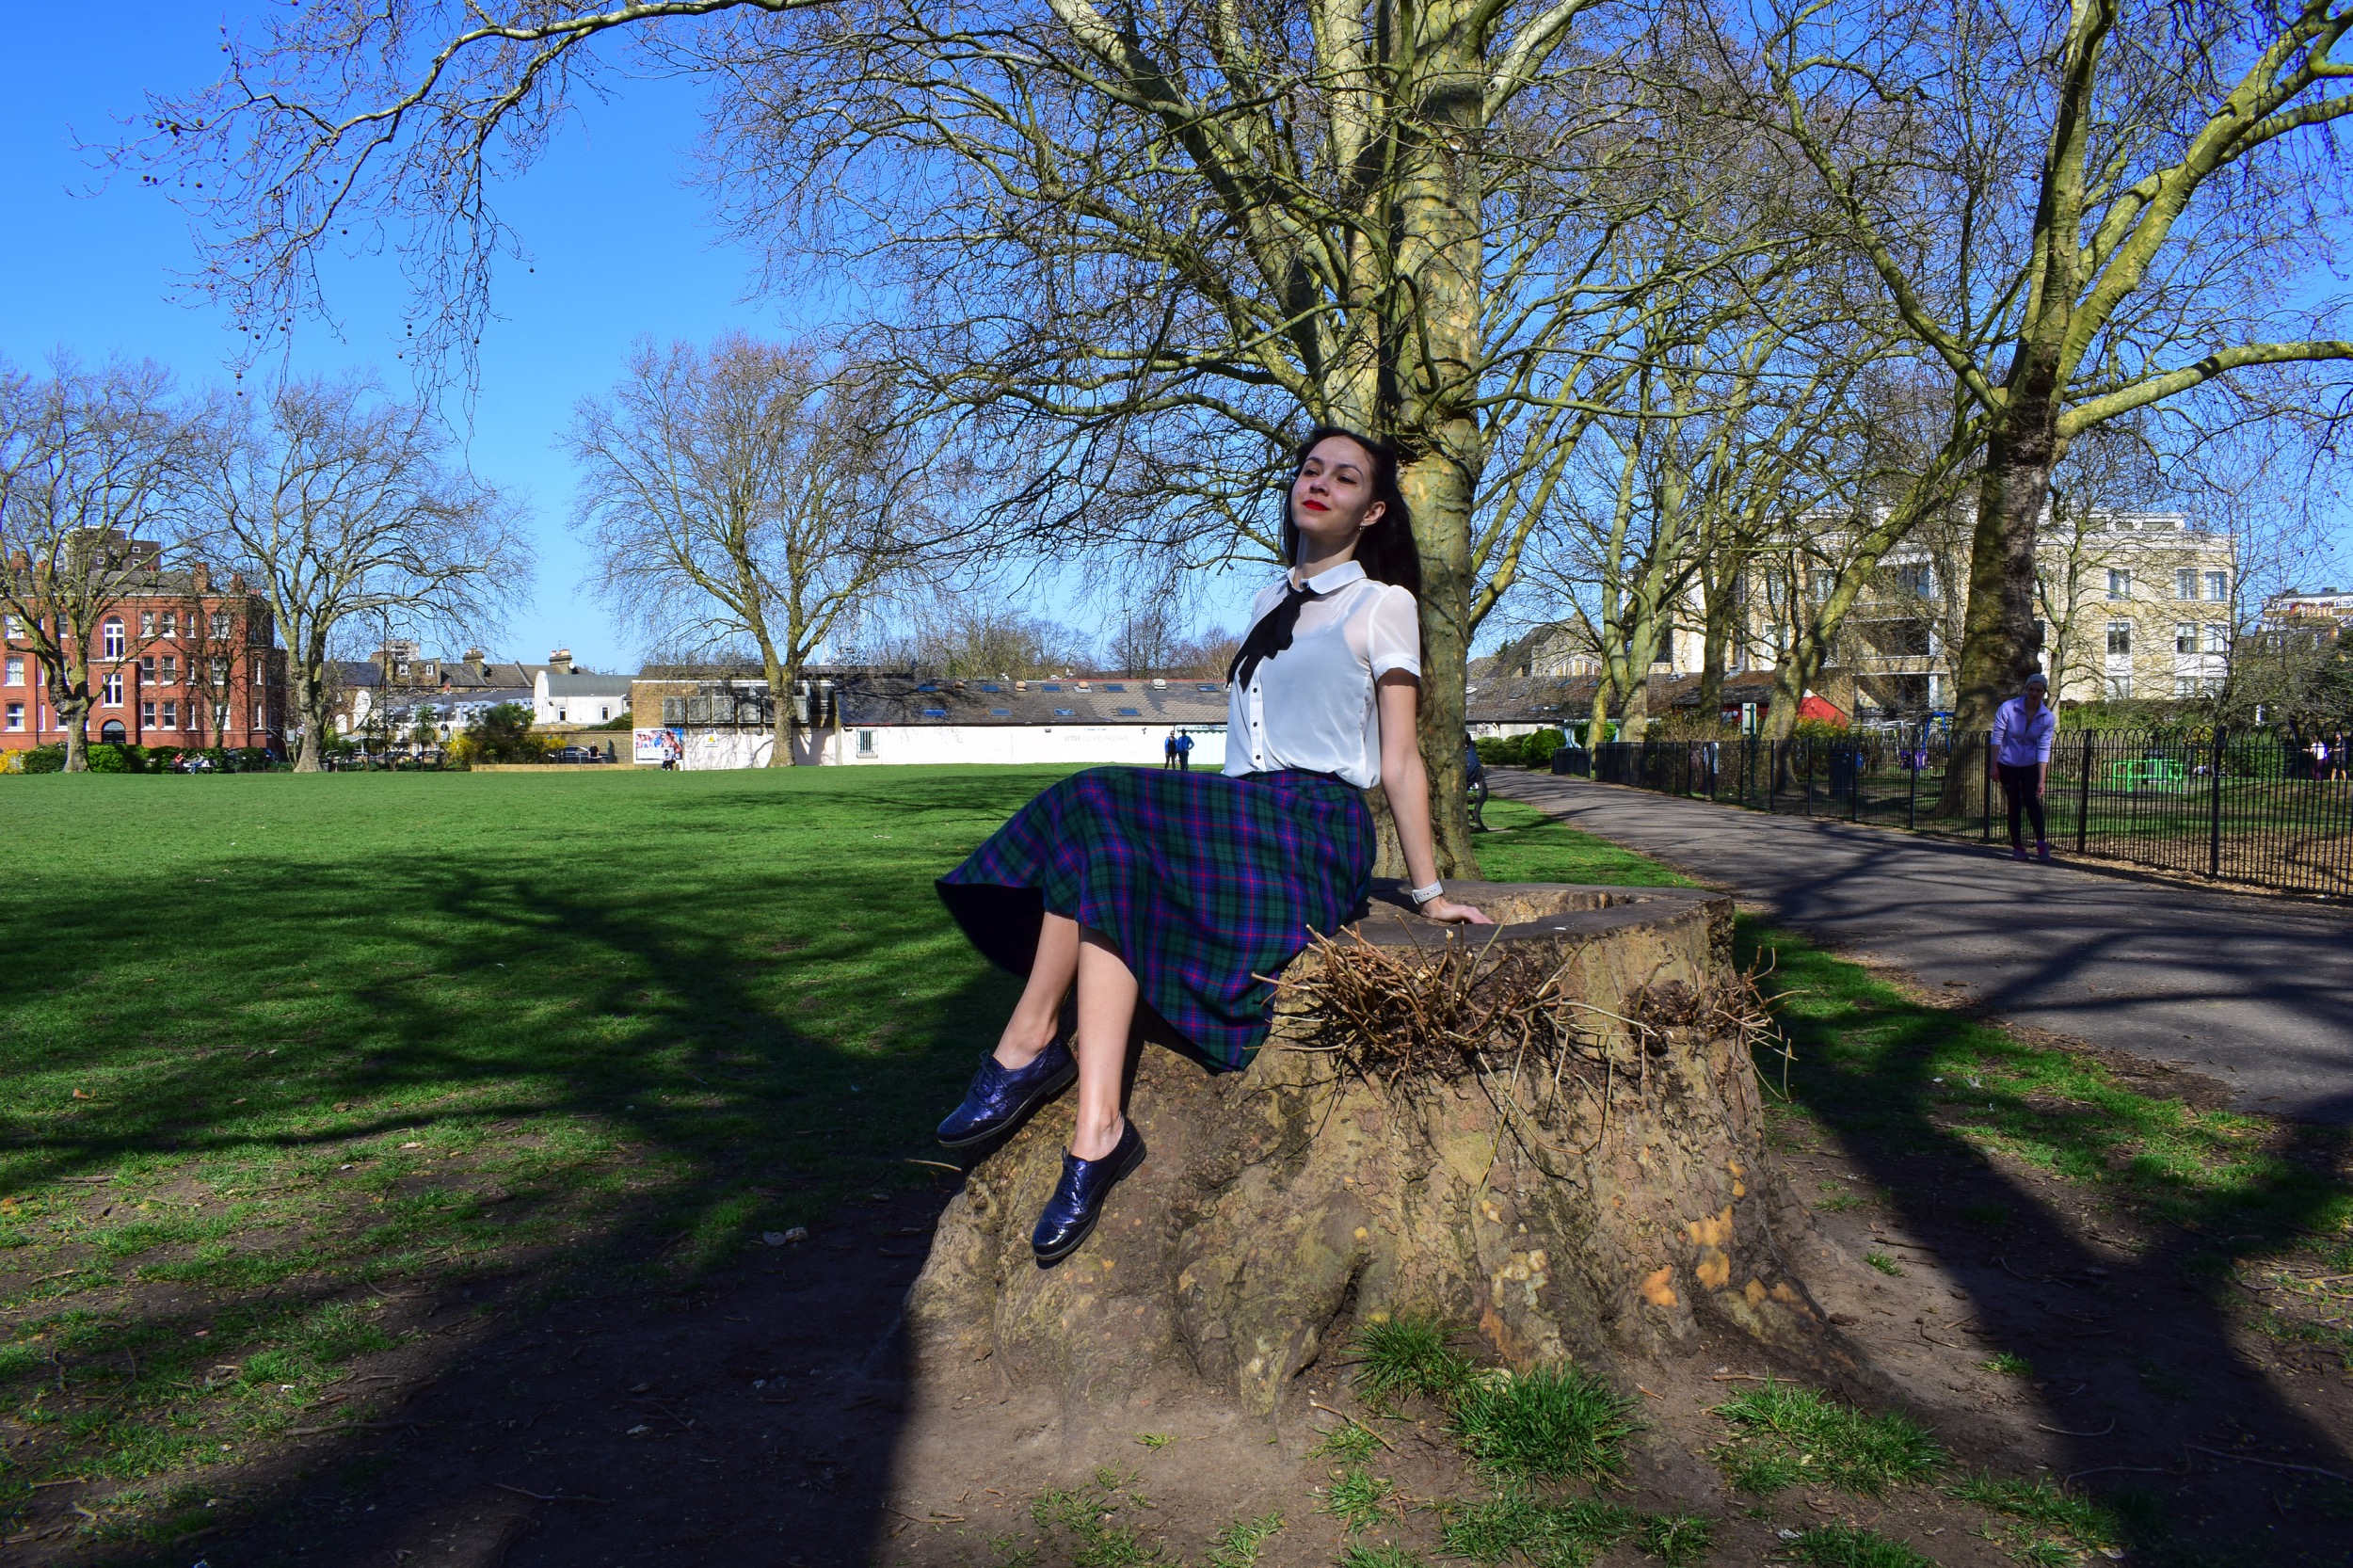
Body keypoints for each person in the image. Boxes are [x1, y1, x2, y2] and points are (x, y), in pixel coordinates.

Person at [933, 426, 1492, 1264]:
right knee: (1110, 852)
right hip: (1241, 818)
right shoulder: (1271, 600)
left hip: (1311, 829)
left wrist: (1426, 890)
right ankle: (1099, 1132)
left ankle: (1025, 1045)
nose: (1320, 485)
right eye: (1311, 470)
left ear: (1372, 511)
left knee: (1096, 794)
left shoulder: (1385, 604)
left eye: (1344, 479)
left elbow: (1402, 759)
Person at [1991, 671, 2057, 863]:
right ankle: (2017, 846)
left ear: (2044, 692)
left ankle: (2041, 842)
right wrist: (1993, 765)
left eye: (2039, 690)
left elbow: (2044, 747)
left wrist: (2041, 779)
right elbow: (1997, 737)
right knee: (2014, 803)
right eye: (2031, 689)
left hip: (2029, 763)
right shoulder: (2009, 708)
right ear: (2026, 689)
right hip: (2007, 762)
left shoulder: (2047, 717)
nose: (2034, 693)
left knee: (2032, 801)